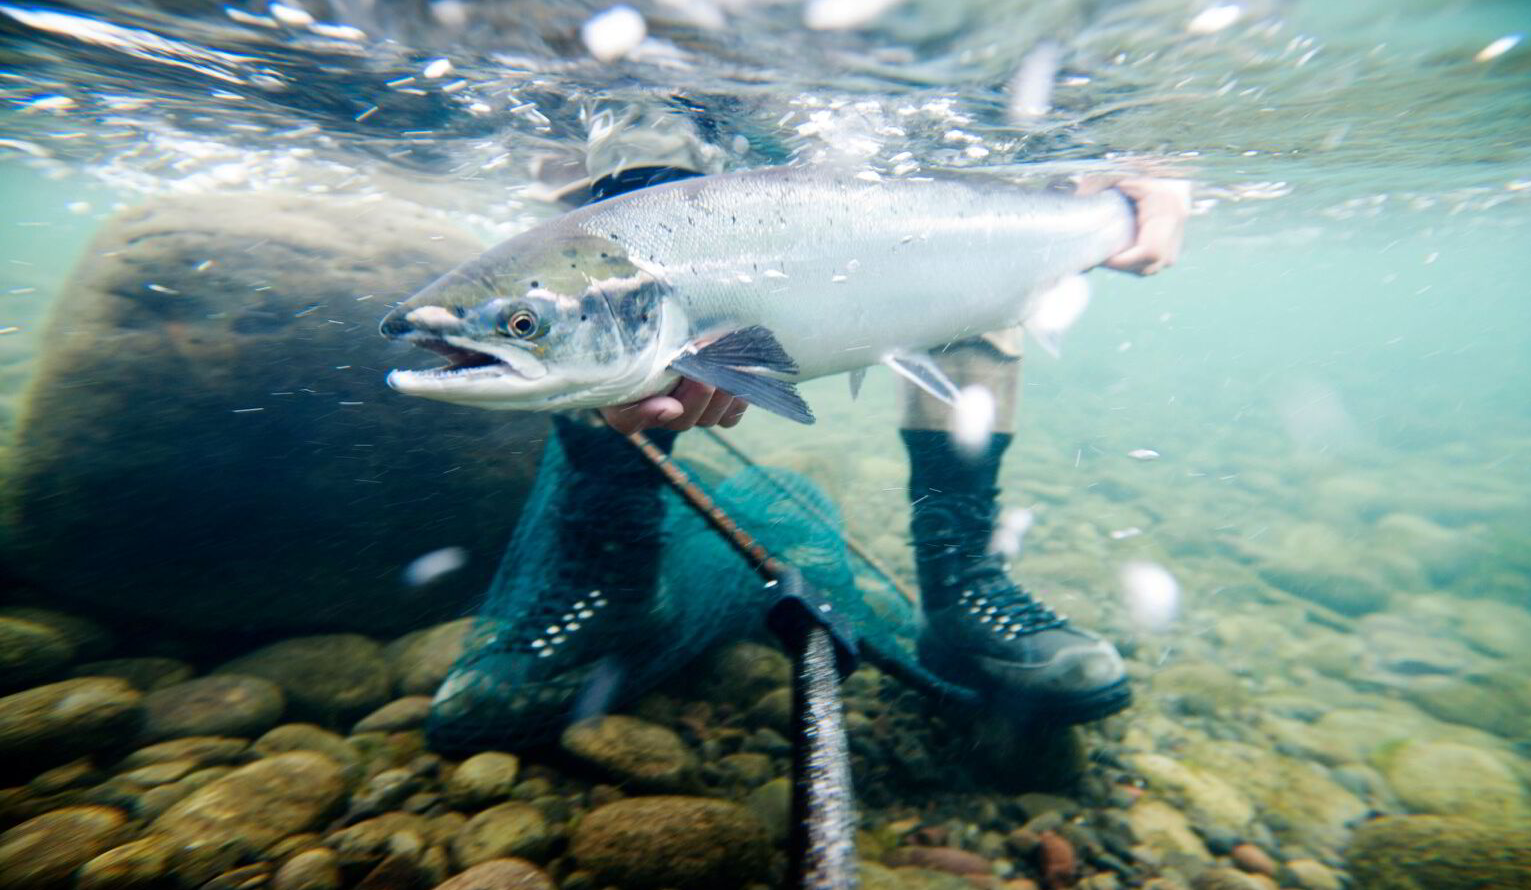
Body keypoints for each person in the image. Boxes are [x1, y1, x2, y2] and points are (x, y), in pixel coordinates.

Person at [482, 103, 1188, 732]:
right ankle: (613, 572)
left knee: (960, 231)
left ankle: (961, 577)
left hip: (922, 85)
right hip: (674, 83)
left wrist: (1142, 173)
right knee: (602, 300)